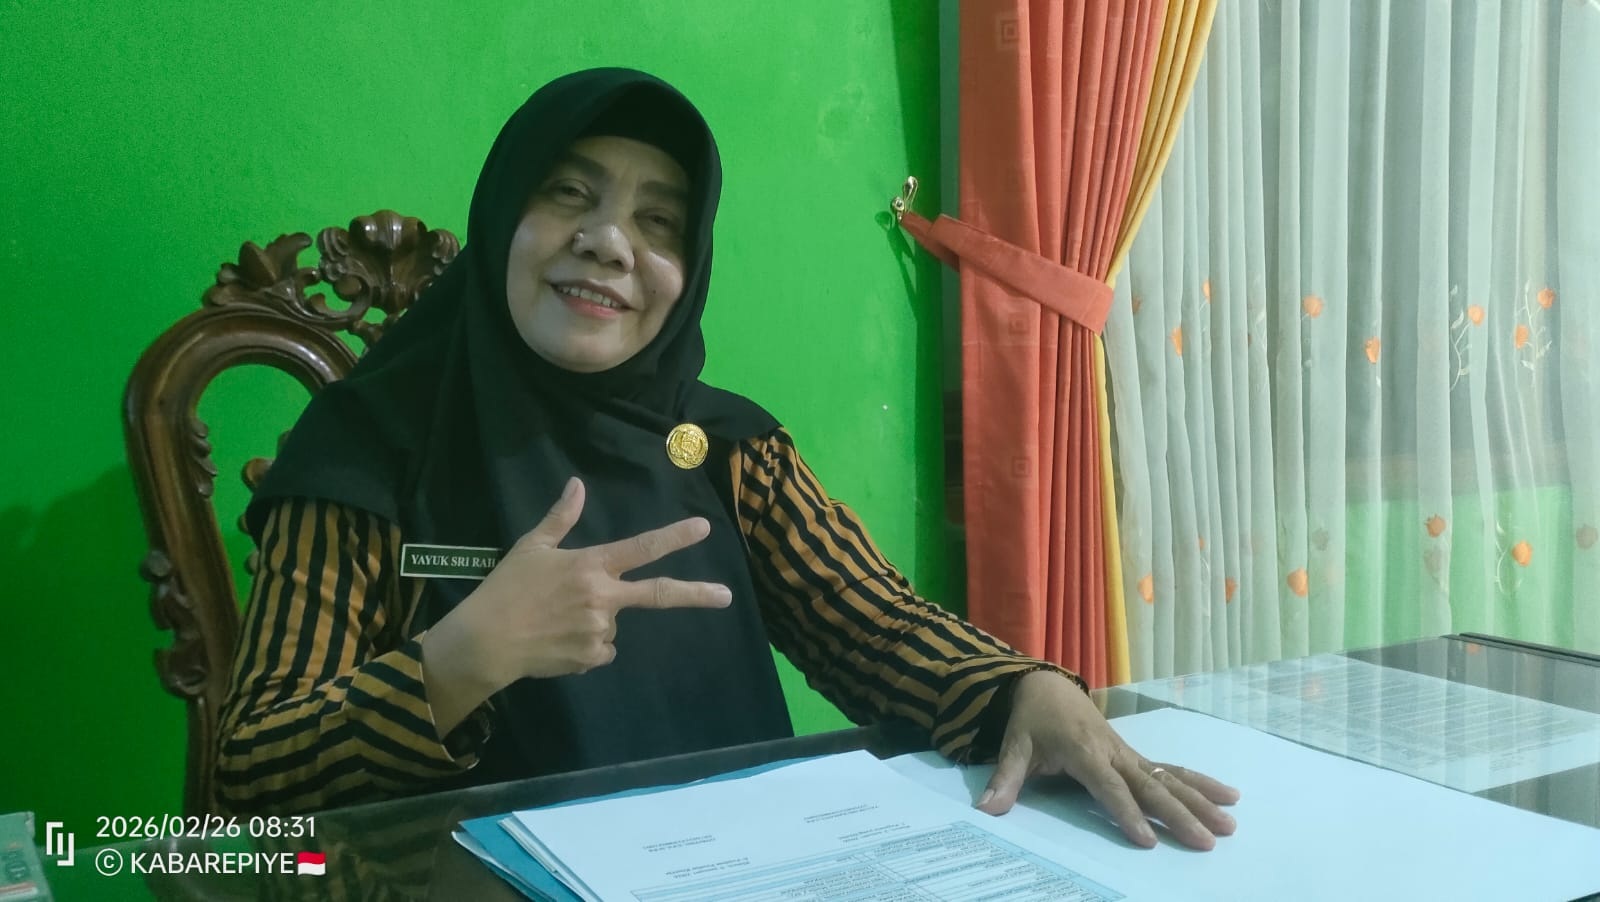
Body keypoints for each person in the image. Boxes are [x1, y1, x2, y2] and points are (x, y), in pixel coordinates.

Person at [216, 67, 1239, 851]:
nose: (609, 242)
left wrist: (1022, 688)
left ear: (689, 266)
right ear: (501, 220)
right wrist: (463, 658)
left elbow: (872, 623)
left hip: (732, 866)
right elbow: (252, 772)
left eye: (658, 219)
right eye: (568, 193)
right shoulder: (367, 451)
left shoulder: (722, 447)